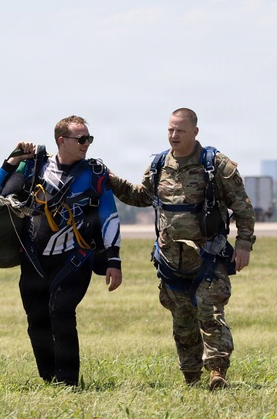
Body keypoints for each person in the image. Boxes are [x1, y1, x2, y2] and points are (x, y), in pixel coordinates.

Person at [107, 108, 255, 390]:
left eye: (180, 131)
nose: (174, 135)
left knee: (210, 314)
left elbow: (243, 208)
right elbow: (142, 196)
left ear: (195, 132)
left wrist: (244, 244)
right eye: (170, 130)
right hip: (171, 260)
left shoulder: (216, 165)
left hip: (208, 258)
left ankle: (217, 373)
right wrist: (111, 179)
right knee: (183, 322)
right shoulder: (160, 164)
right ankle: (190, 377)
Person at [0, 115, 123, 387]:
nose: (86, 143)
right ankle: (49, 381)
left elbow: (110, 216)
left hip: (74, 259)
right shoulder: (34, 166)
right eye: (81, 139)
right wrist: (12, 161)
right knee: (36, 321)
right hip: (34, 261)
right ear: (62, 140)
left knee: (62, 314)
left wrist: (114, 260)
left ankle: (68, 382)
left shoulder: (95, 174)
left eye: (89, 138)